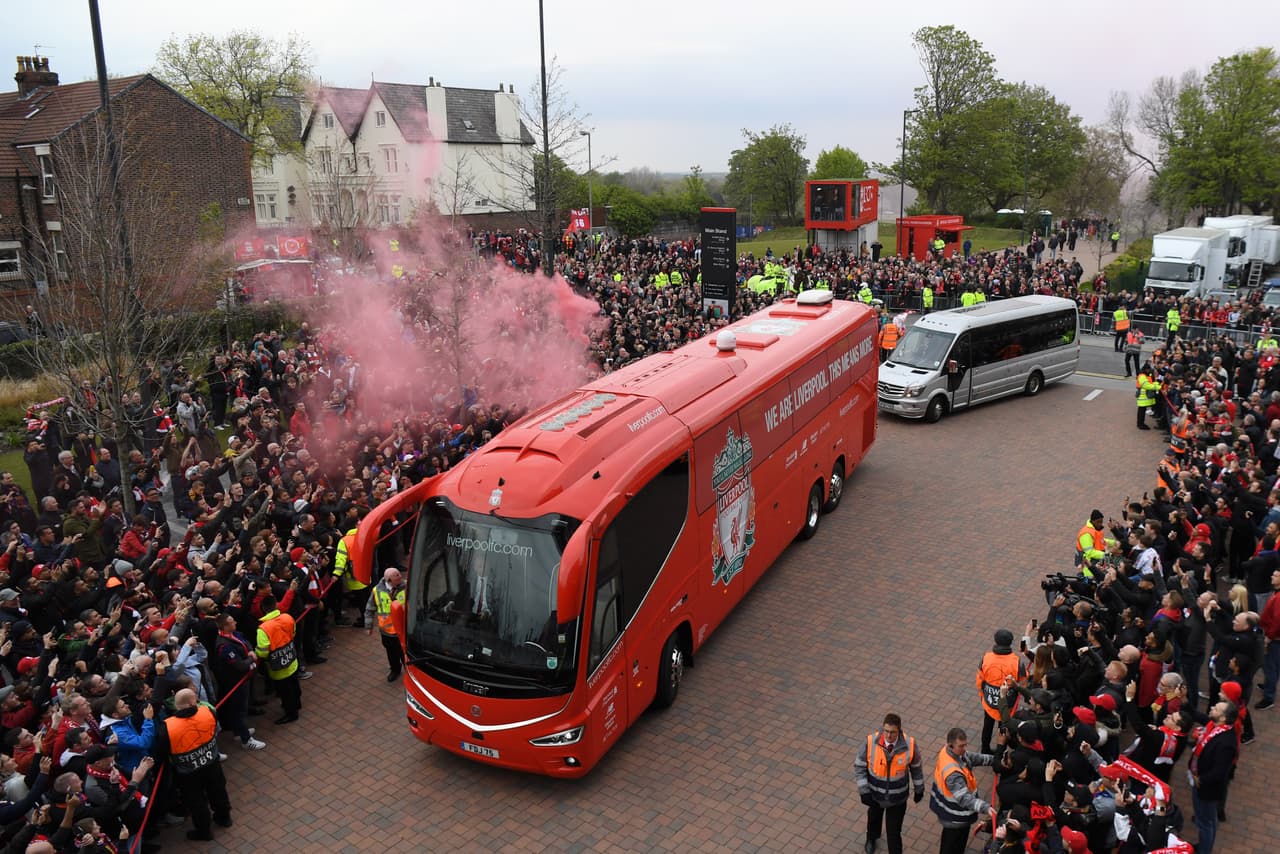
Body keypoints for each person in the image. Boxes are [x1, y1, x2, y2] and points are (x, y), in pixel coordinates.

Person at [153, 688, 231, 842]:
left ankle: (204, 831)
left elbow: (162, 751)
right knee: (218, 791)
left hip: (187, 772)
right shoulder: (207, 712)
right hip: (211, 763)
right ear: (191, 702)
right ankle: (224, 818)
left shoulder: (167, 727)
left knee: (196, 802)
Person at [853, 712, 924, 854]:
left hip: (897, 799)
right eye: (886, 731)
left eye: (893, 732)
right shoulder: (870, 742)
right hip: (874, 795)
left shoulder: (910, 744)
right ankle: (871, 838)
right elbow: (859, 766)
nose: (889, 735)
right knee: (873, 820)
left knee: (894, 832)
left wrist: (919, 788)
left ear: (899, 731)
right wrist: (864, 790)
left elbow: (916, 768)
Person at [929, 727, 995, 854]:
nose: (964, 749)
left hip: (953, 813)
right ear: (951, 745)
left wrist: (992, 760)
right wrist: (985, 807)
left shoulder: (949, 751)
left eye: (965, 745)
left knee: (955, 842)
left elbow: (970, 757)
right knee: (951, 845)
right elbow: (964, 798)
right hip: (955, 816)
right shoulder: (953, 773)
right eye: (961, 746)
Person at [1188, 701, 1238, 854]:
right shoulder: (1215, 728)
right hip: (1201, 782)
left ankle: (1204, 850)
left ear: (1223, 718)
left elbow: (1219, 772)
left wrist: (1200, 779)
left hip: (1207, 788)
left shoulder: (1226, 743)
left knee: (1206, 823)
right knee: (1208, 820)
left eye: (1216, 709)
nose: (1211, 708)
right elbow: (1199, 716)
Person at [976, 629, 1025, 754]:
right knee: (1003, 727)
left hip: (989, 701)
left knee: (987, 725)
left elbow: (980, 680)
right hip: (1007, 703)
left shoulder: (986, 658)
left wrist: (983, 696)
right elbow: (1023, 682)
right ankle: (1000, 753)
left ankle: (985, 749)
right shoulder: (1017, 662)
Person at [255, 593, 301, 725]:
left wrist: (256, 653)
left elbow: (263, 651)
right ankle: (297, 705)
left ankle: (291, 714)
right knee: (294, 684)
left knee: (285, 692)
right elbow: (293, 633)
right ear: (276, 605)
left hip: (278, 667)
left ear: (263, 609)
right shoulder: (287, 617)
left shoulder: (263, 629)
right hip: (292, 658)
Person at [365, 567, 407, 682]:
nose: (400, 577)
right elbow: (369, 609)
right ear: (389, 580)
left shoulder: (406, 587)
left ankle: (409, 671)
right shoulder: (376, 591)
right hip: (387, 631)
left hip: (403, 629)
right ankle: (395, 670)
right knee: (391, 653)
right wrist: (368, 626)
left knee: (405, 653)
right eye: (397, 576)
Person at [1136, 363, 1161, 430]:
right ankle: (1140, 424)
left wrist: (1156, 383)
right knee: (1141, 411)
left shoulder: (1146, 375)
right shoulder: (1142, 376)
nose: (1150, 371)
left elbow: (1151, 383)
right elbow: (1146, 385)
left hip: (1144, 396)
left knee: (1142, 411)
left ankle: (1140, 423)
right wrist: (1157, 387)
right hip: (1143, 396)